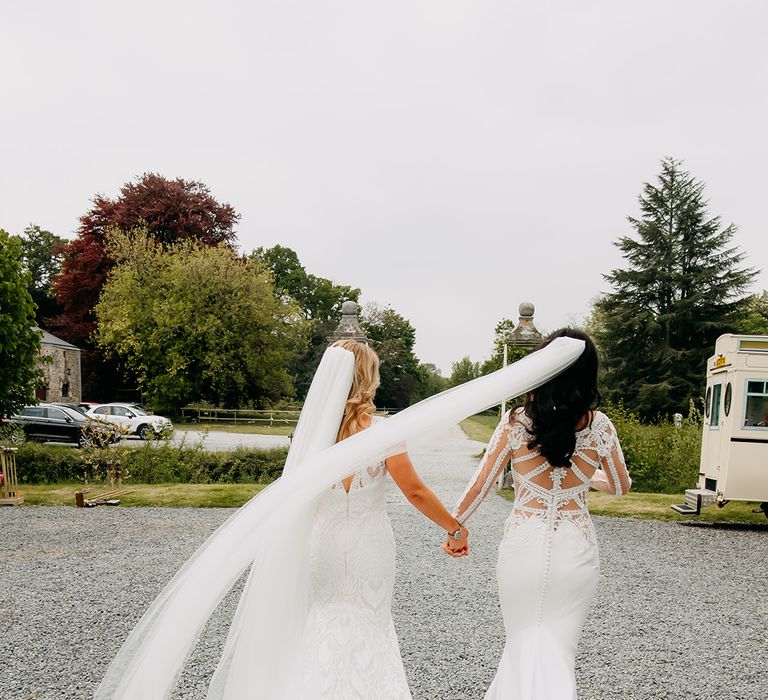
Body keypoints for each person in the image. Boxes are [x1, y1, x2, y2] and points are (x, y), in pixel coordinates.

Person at [445, 328, 631, 699]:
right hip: (575, 548)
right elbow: (620, 484)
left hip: (523, 545)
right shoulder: (600, 425)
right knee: (559, 650)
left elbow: (481, 484)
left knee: (521, 643)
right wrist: (581, 475)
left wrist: (455, 528)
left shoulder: (516, 422)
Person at [297, 339, 468, 698]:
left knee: (323, 624)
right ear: (365, 379)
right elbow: (415, 491)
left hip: (323, 542)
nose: (377, 381)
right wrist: (454, 527)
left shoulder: (313, 434)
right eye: (374, 373)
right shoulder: (384, 430)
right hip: (369, 545)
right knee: (371, 625)